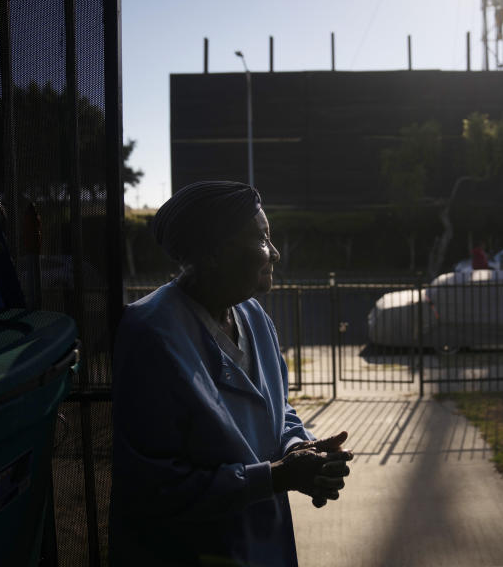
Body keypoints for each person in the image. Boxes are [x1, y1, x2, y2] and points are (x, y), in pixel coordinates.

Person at [109, 181, 353, 567]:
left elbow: (278, 410)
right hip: (192, 550)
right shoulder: (150, 334)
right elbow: (155, 486)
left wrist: (298, 449)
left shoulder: (254, 316)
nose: (273, 253)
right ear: (214, 253)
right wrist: (276, 478)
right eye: (261, 239)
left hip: (263, 543)